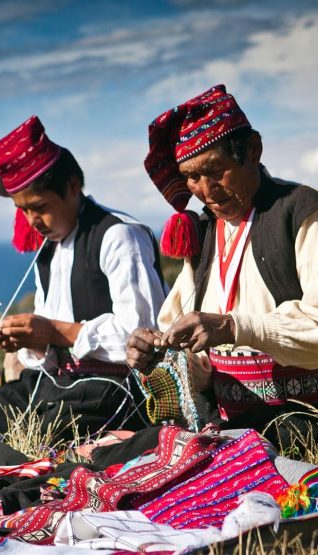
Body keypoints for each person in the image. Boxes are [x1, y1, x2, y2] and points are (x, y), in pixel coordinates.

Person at [126, 84, 318, 445]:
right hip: (229, 423)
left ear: (253, 150)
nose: (206, 190)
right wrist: (153, 349)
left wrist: (233, 327)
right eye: (192, 177)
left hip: (301, 421)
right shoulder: (204, 233)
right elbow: (182, 345)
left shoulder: (301, 212)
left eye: (215, 170)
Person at [0, 116, 167, 443]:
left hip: (117, 390)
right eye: (23, 210)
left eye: (40, 206)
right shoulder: (48, 253)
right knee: (0, 408)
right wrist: (31, 341)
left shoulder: (120, 236)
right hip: (64, 385)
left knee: (51, 427)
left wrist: (55, 331)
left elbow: (145, 337)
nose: (32, 221)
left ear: (73, 186)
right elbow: (49, 349)